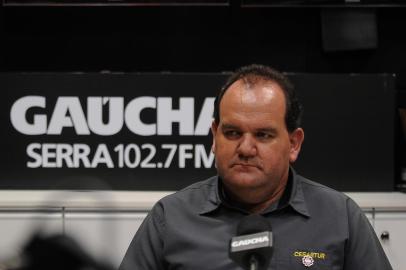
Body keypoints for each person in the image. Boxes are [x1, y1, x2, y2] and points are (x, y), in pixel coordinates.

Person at [119, 64, 393, 270]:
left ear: (294, 144)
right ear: (215, 136)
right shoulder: (170, 219)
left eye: (263, 135)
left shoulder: (340, 218)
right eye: (232, 133)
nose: (246, 149)